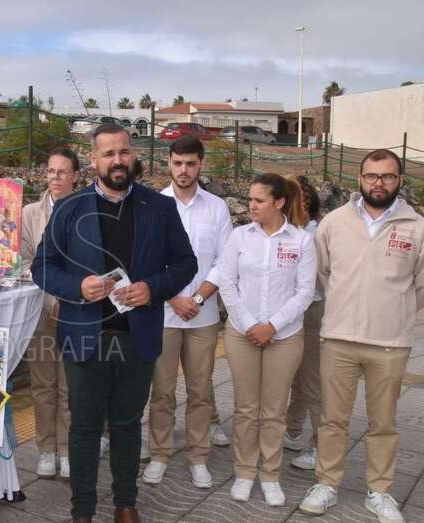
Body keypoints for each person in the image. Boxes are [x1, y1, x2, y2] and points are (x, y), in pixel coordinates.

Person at [32, 123, 197, 523]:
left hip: (135, 338)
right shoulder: (69, 208)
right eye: (108, 154)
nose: (118, 160)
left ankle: (126, 503)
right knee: (84, 428)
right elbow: (42, 267)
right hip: (84, 337)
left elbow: (185, 263)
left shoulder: (159, 207)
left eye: (124, 152)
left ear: (133, 155)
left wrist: (152, 288)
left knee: (127, 424)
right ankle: (83, 511)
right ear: (93, 160)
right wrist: (78, 286)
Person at [299, 149, 423, 523]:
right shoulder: (334, 223)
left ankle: (379, 491)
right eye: (371, 175)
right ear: (360, 179)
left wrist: (394, 311)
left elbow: (420, 285)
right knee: (332, 419)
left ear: (399, 180)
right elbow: (321, 273)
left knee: (382, 423)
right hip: (338, 338)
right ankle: (327, 483)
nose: (378, 183)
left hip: (390, 343)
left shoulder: (416, 227)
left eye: (387, 176)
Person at [219, 173, 316, 506]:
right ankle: (245, 471)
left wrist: (272, 326)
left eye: (259, 200)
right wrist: (250, 325)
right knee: (246, 408)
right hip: (241, 333)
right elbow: (227, 284)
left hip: (285, 336)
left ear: (279, 202)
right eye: (250, 199)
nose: (252, 206)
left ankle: (270, 474)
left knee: (274, 410)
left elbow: (305, 292)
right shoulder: (239, 237)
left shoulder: (302, 241)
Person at [143, 136, 232, 488]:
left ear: (201, 164)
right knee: (162, 391)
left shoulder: (217, 208)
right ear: (168, 162)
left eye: (190, 163)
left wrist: (196, 297)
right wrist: (173, 298)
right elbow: (146, 262)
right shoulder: (153, 206)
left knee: (200, 390)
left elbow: (226, 261)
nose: (183, 170)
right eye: (178, 163)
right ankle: (160, 453)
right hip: (164, 315)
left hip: (202, 316)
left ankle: (198, 456)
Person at [21, 146, 79, 480]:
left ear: (75, 176)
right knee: (43, 385)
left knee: (70, 386)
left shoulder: (88, 210)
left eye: (62, 171)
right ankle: (46, 449)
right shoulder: (30, 213)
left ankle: (68, 449)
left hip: (76, 311)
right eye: (50, 171)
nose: (55, 177)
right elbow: (25, 261)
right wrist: (49, 300)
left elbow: (90, 264)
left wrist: (66, 300)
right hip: (40, 309)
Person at [283, 175, 324, 470]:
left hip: (312, 311)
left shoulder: (314, 234)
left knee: (311, 381)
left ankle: (322, 447)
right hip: (294, 310)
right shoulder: (296, 231)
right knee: (298, 377)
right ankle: (293, 430)